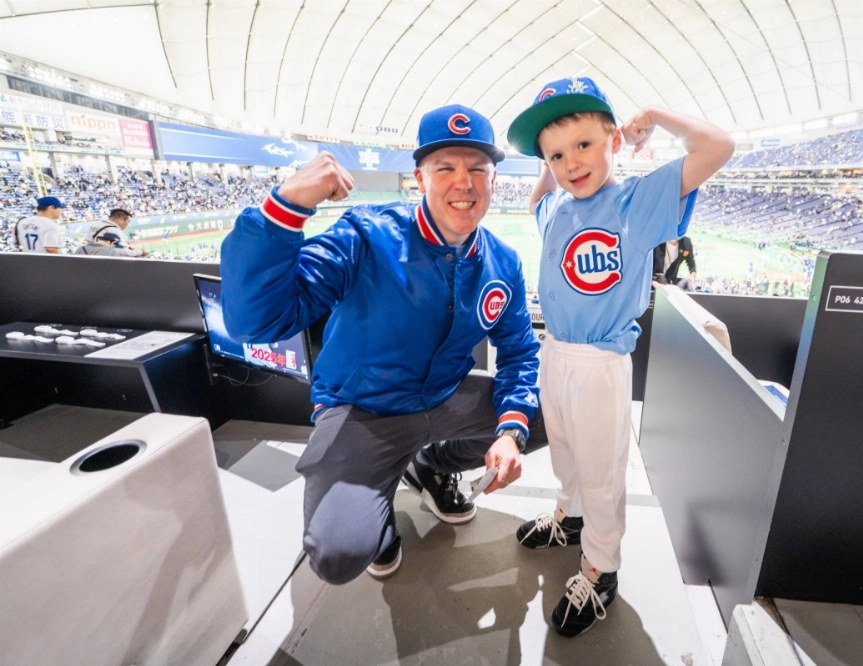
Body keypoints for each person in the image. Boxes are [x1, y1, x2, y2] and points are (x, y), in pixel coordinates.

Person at [220, 105, 545, 584]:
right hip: (363, 412)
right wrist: (284, 208)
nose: (465, 183)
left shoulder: (502, 260)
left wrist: (510, 432)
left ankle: (431, 468)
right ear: (419, 177)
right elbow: (256, 321)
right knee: (339, 553)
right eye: (446, 169)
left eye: (478, 170)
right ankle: (377, 518)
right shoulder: (366, 236)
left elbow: (518, 353)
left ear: (494, 180)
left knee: (552, 416)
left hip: (443, 399)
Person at [507, 76, 733, 637]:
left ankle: (600, 567)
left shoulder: (635, 201)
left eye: (584, 145)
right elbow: (536, 199)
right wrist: (544, 163)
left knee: (602, 472)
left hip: (600, 366)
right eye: (557, 154)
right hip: (554, 354)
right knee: (563, 453)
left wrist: (654, 113)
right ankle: (569, 515)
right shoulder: (557, 204)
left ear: (613, 138)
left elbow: (718, 147)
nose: (570, 163)